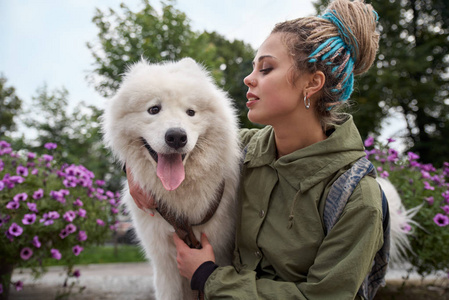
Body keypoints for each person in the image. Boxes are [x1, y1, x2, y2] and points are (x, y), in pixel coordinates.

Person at [129, 0, 384, 298]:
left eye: (266, 68)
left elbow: (324, 296)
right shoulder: (243, 147)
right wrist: (134, 173)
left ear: (312, 83)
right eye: (253, 67)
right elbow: (169, 136)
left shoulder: (357, 198)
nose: (248, 79)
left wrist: (209, 277)